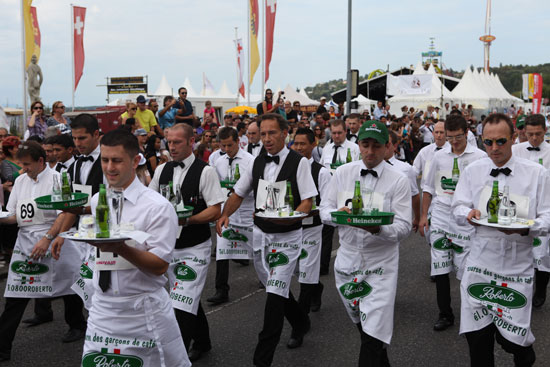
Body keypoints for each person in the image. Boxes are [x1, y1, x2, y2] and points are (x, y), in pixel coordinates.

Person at [79, 129, 190, 366]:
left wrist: (121, 248)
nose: (109, 167)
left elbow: (159, 266)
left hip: (142, 311)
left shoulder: (157, 207)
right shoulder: (98, 200)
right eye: (105, 160)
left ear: (135, 161)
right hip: (102, 309)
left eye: (117, 160)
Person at [216, 113, 317, 367]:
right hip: (261, 236)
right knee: (276, 287)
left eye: (272, 133)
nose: (267, 139)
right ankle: (301, 322)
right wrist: (225, 214)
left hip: (287, 236)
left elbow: (308, 201)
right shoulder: (257, 162)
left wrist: (293, 217)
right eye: (263, 134)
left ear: (285, 133)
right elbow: (238, 192)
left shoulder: (299, 162)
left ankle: (261, 360)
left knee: (273, 297)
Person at [452, 113, 550, 367]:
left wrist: (527, 228)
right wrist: (468, 213)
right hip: (480, 265)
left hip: (517, 269)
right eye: (488, 142)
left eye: (501, 141)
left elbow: (548, 216)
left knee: (514, 341)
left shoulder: (537, 174)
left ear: (514, 138)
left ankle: (525, 354)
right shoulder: (473, 171)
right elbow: (458, 205)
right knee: (477, 340)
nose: (494, 149)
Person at [319, 120, 412, 366]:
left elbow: (403, 227)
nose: (370, 151)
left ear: (387, 147)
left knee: (372, 335)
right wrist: (337, 215)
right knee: (364, 328)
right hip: (347, 260)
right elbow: (324, 211)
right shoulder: (342, 173)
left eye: (376, 146)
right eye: (365, 144)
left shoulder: (398, 180)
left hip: (381, 263)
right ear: (358, 145)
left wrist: (378, 228)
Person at [0, 141, 84, 362]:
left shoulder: (59, 179)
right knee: (16, 294)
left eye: (26, 164)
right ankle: (2, 347)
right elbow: (14, 214)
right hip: (26, 241)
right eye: (21, 164)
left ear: (40, 161)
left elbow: (64, 213)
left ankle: (77, 324)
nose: (23, 168)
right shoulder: (20, 181)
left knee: (68, 283)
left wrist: (48, 239)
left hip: (54, 238)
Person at [149, 123, 224, 362]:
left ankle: (175, 358)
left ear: (191, 142)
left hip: (195, 247)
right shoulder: (161, 170)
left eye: (177, 142)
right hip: (169, 247)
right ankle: (203, 341)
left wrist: (187, 220)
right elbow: (150, 201)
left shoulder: (206, 171)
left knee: (180, 303)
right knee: (185, 295)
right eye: (169, 142)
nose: (172, 147)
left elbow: (215, 210)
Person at [419, 115, 487, 332]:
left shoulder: (480, 157)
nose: (454, 142)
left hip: (467, 219)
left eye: (458, 137)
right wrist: (422, 217)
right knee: (440, 268)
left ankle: (472, 312)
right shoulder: (439, 157)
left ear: (467, 133)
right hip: (440, 215)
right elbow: (428, 188)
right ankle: (445, 313)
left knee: (466, 269)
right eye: (450, 138)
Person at [207, 127, 255, 305]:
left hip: (247, 212)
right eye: (223, 145)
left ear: (238, 142)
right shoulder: (219, 162)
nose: (227, 149)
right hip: (227, 213)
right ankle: (221, 290)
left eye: (230, 145)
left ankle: (267, 279)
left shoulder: (250, 161)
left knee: (257, 252)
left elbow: (255, 188)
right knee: (222, 251)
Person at [511, 114, 550, 307]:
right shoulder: (515, 150)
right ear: (524, 132)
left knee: (542, 253)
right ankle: (518, 289)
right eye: (530, 134)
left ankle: (541, 290)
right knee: (518, 250)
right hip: (519, 206)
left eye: (539, 134)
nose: (534, 138)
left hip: (543, 208)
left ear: (545, 131)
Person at [292, 128, 331, 315]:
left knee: (306, 269)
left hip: (312, 228)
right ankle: (317, 287)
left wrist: (310, 211)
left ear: (313, 144)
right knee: (297, 268)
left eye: (303, 144)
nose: (298, 147)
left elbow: (327, 203)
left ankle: (301, 318)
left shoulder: (321, 172)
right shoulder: (287, 169)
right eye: (295, 143)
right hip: (289, 227)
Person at [385, 130, 421, 232]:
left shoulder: (405, 168)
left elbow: (415, 194)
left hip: (396, 219)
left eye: (387, 144)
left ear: (395, 146)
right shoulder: (369, 167)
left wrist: (417, 218)